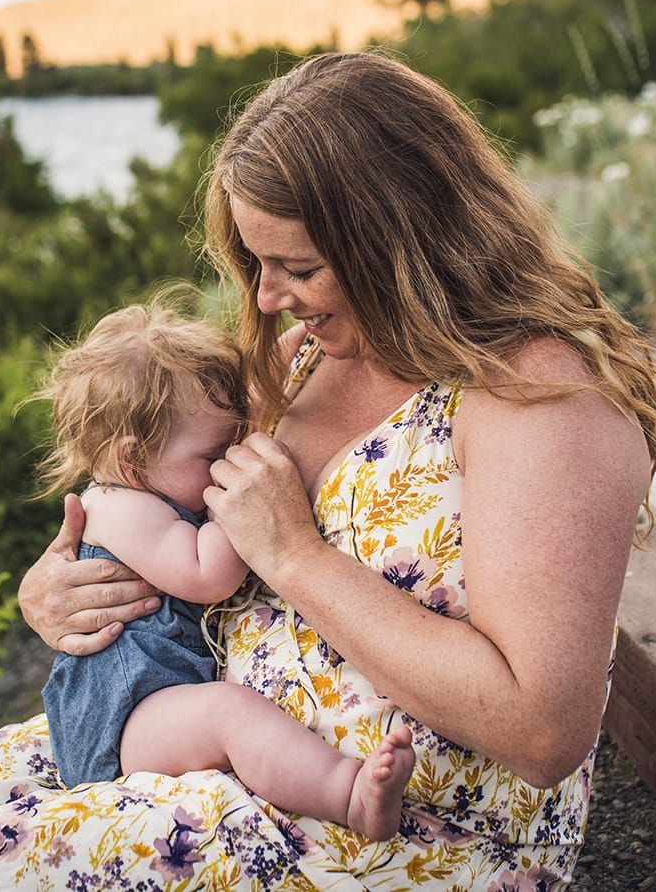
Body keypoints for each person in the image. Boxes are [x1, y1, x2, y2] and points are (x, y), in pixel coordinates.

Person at [0, 51, 656, 890]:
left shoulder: (540, 395)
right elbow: (168, 499)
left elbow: (542, 727)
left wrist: (297, 556)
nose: (263, 299)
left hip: (394, 833)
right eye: (257, 264)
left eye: (298, 267)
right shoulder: (306, 356)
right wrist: (65, 587)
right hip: (215, 739)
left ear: (400, 241)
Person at [33, 300, 416, 839]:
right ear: (132, 459)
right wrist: (245, 498)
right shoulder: (120, 508)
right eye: (213, 453)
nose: (226, 461)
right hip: (121, 723)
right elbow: (208, 574)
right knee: (229, 715)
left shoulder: (147, 485)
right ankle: (348, 795)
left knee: (227, 715)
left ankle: (343, 788)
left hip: (152, 698)